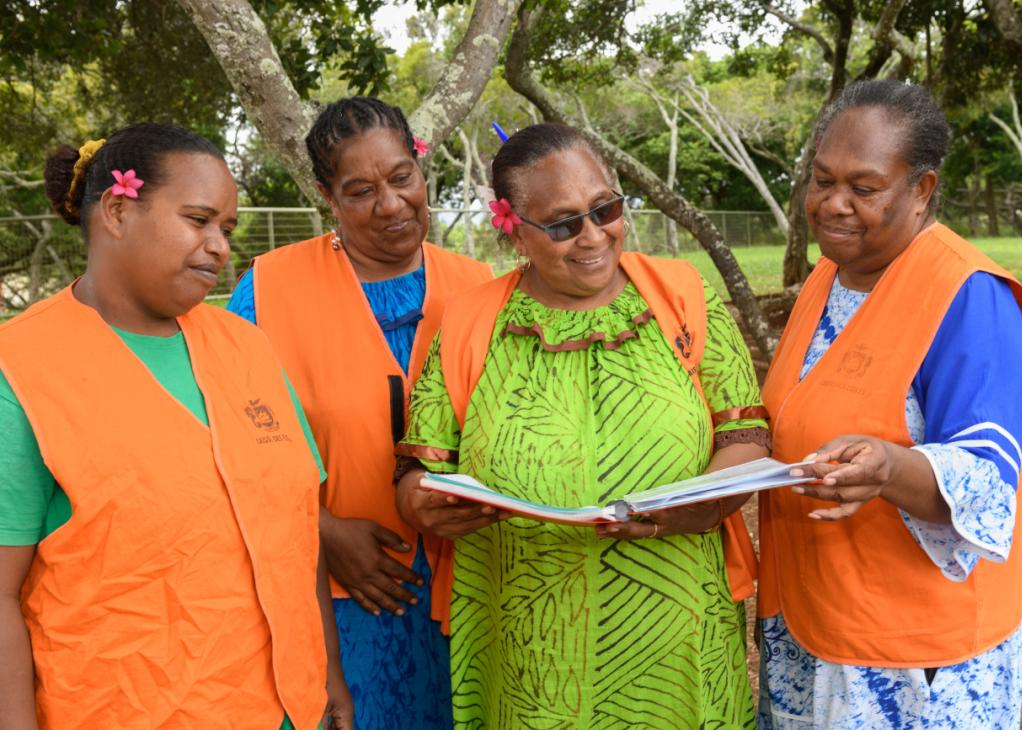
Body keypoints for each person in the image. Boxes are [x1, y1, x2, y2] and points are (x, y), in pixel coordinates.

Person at [394, 122, 770, 728]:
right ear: (514, 229)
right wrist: (420, 503)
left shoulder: (682, 297)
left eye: (605, 209)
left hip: (675, 629)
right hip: (527, 647)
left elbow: (745, 435)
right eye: (564, 223)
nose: (593, 236)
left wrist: (709, 499)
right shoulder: (470, 322)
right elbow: (419, 469)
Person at [0, 124, 352, 729]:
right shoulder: (21, 370)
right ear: (117, 209)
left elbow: (295, 536)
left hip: (289, 711)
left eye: (228, 229)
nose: (220, 247)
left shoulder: (247, 349)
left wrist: (327, 680)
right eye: (198, 220)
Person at [756, 80, 1022, 729]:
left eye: (863, 187)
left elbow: (986, 481)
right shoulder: (826, 279)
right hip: (810, 624)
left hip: (911, 664)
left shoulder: (968, 297)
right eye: (820, 180)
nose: (833, 204)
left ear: (921, 189)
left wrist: (889, 467)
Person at [227, 97, 493, 730]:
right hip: (338, 596)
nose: (392, 204)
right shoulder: (267, 291)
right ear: (327, 196)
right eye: (361, 190)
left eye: (402, 177)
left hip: (473, 587)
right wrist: (320, 528)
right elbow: (226, 443)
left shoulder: (480, 287)